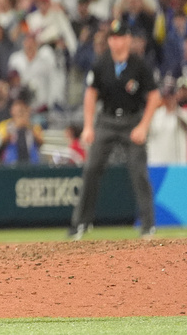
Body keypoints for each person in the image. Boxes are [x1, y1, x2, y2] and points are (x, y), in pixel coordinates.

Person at [69, 19, 161, 240]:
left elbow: (154, 96)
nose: (115, 42)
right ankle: (80, 224)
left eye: (119, 37)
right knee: (91, 168)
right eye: (112, 38)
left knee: (139, 172)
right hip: (107, 121)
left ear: (128, 39)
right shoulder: (101, 63)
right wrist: (89, 126)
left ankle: (148, 225)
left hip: (132, 121)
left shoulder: (140, 65)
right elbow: (90, 95)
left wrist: (143, 126)